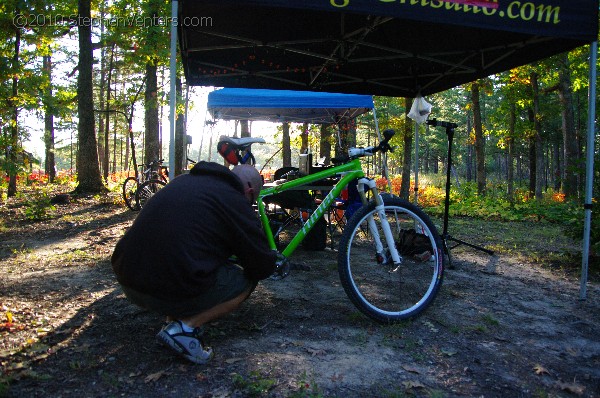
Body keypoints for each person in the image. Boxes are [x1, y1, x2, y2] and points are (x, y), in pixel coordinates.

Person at [111, 161, 279, 364]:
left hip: (128, 279)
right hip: (162, 287)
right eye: (252, 200)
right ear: (250, 190)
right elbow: (260, 266)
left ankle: (172, 321)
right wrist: (270, 258)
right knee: (245, 282)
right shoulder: (233, 199)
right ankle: (184, 329)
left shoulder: (183, 181)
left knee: (188, 260)